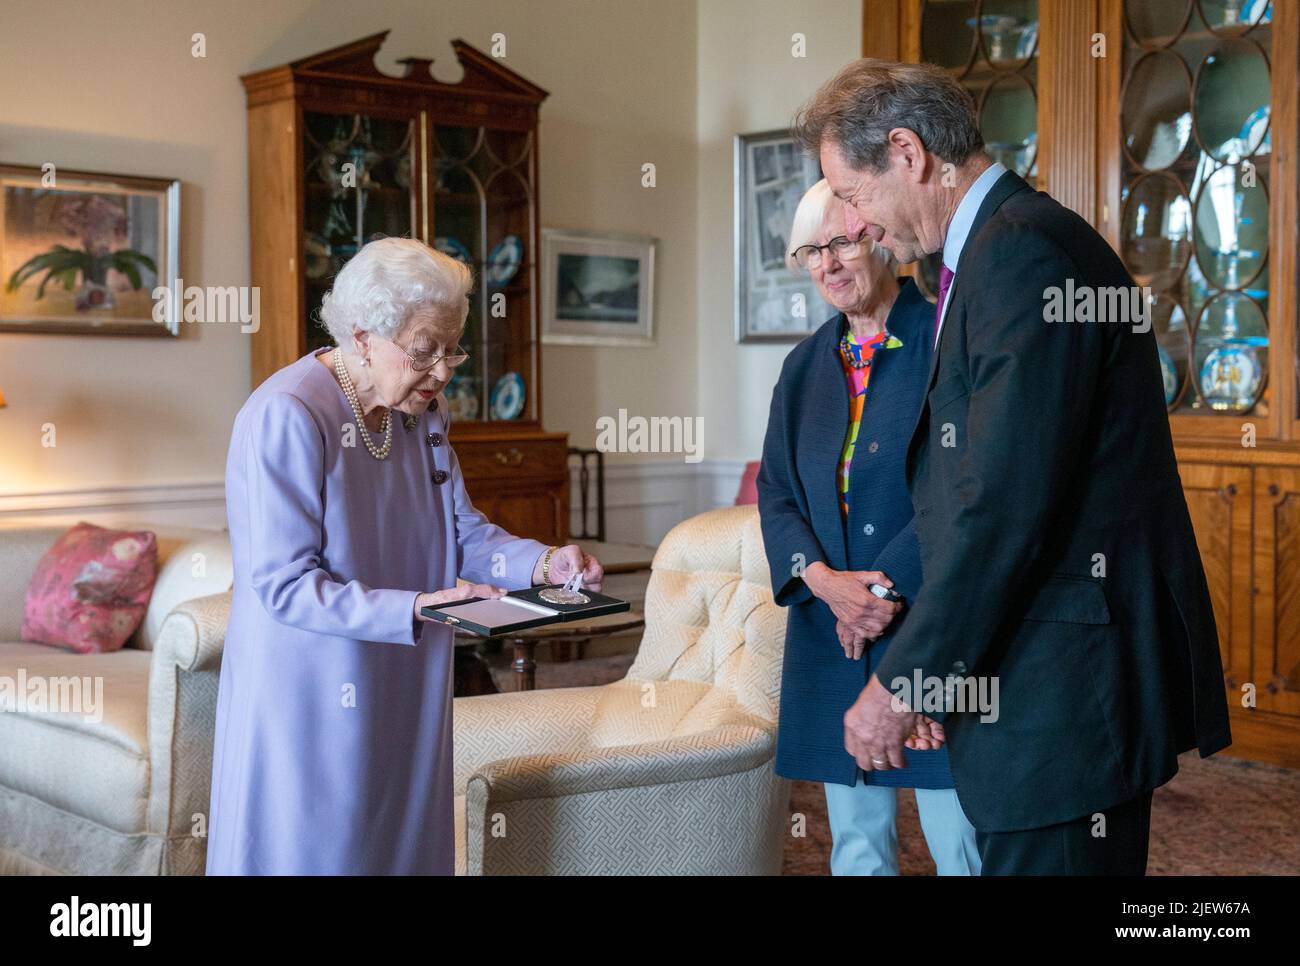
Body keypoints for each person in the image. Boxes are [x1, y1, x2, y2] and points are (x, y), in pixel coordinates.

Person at [791, 59, 1231, 875]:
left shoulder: (1021, 254)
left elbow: (1004, 506)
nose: (856, 224)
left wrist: (906, 684)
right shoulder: (992, 253)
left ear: (908, 151)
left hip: (1063, 699)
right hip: (1029, 680)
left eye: (851, 194)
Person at [207, 237, 604, 874]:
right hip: (313, 688)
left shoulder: (422, 412)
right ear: (363, 335)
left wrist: (544, 563)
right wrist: (417, 606)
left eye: (453, 349)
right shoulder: (288, 414)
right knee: (321, 851)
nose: (444, 371)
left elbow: (464, 534)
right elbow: (284, 585)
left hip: (406, 675)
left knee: (401, 848)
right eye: (426, 350)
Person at [757, 179, 979, 875]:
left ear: (879, 238)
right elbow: (777, 494)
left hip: (932, 625)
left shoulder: (945, 338)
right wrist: (825, 583)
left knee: (960, 838)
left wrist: (879, 595)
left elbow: (963, 486)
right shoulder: (802, 368)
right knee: (854, 841)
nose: (826, 263)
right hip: (830, 632)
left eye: (841, 242)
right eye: (810, 252)